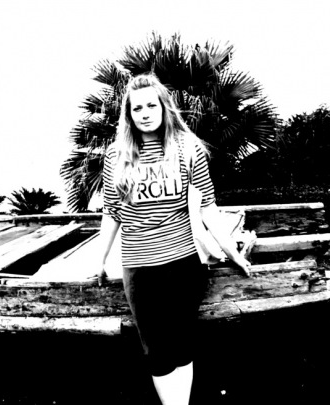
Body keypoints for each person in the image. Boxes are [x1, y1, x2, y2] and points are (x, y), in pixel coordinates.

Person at [98, 73, 251, 405]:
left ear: (164, 107)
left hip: (184, 263)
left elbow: (208, 208)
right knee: (156, 349)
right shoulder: (116, 155)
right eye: (137, 108)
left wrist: (233, 253)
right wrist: (101, 259)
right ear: (129, 114)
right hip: (140, 266)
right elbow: (111, 212)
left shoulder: (187, 148)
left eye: (151, 105)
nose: (145, 113)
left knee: (181, 344)